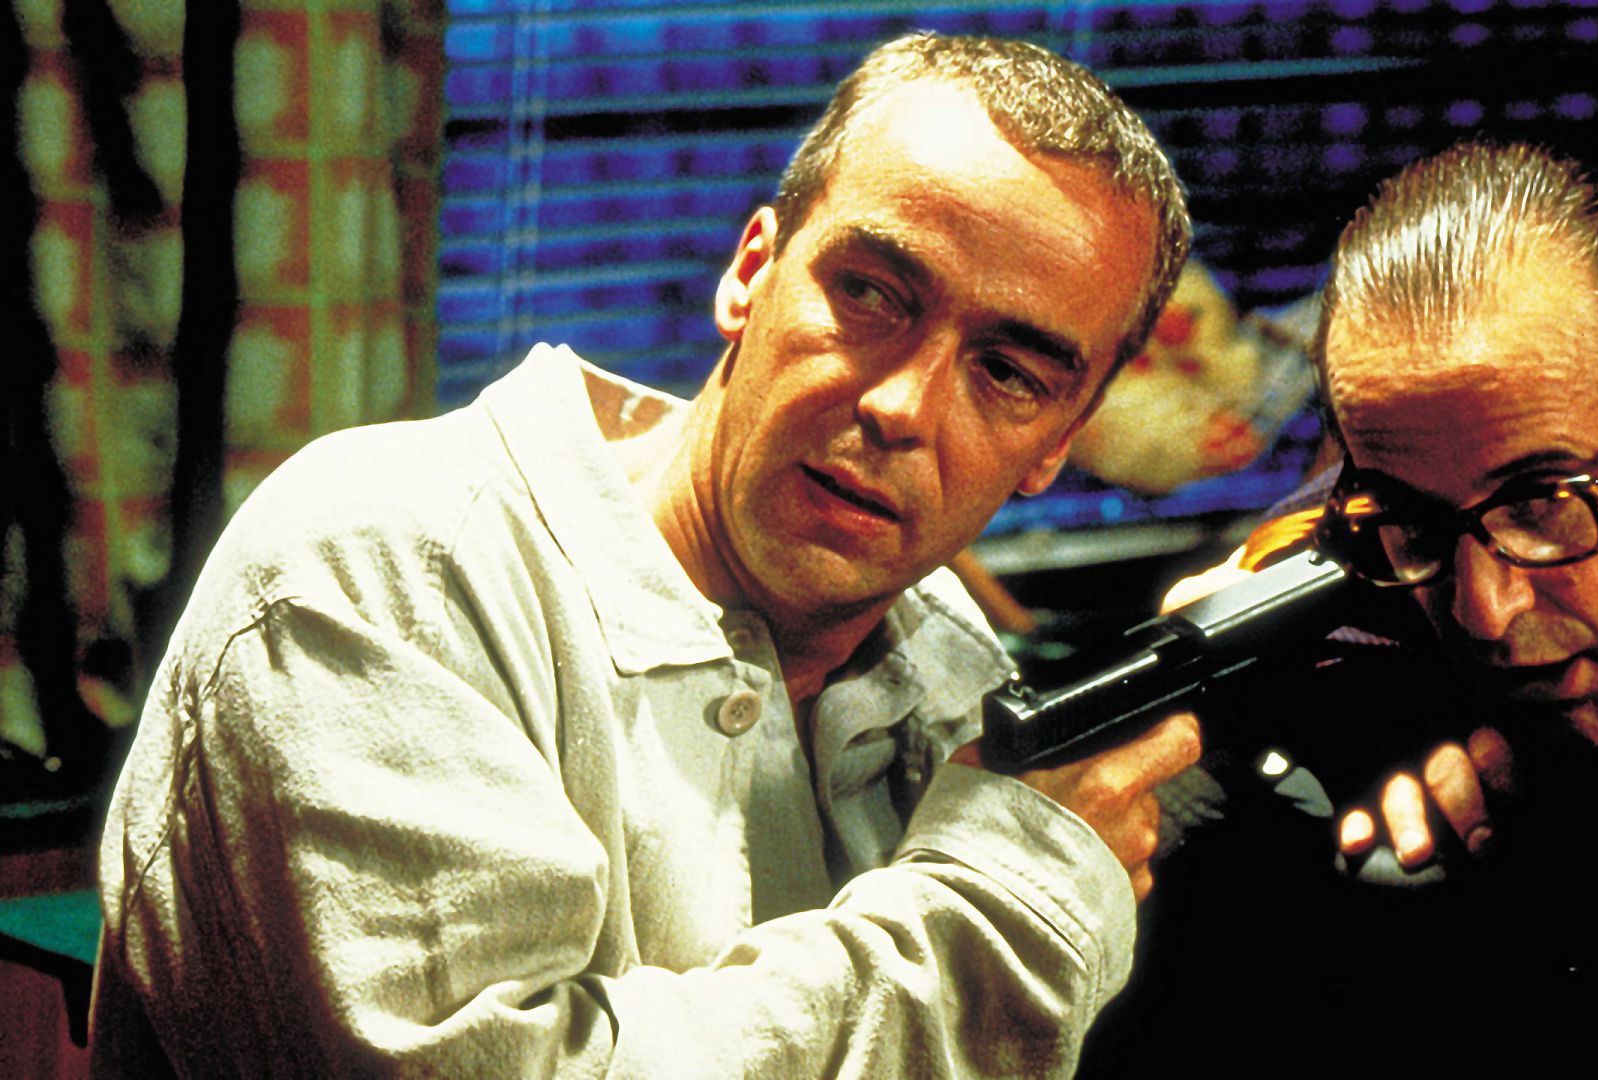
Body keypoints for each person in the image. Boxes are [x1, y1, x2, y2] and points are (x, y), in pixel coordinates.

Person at [89, 33, 1201, 1076]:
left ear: (1057, 444)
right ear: (751, 271)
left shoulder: (947, 659)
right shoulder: (385, 571)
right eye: (870, 294)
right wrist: (1003, 908)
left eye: (1008, 373)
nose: (902, 406)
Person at [1087, 141, 1598, 1078]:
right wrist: (1389, 728)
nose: (1484, 612)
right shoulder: (1375, 553)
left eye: (1542, 501)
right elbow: (1231, 622)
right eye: (1415, 522)